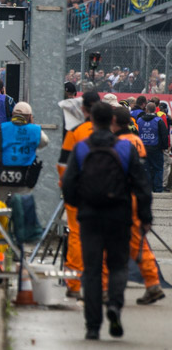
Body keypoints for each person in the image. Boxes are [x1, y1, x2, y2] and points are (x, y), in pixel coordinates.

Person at [61, 102, 152, 341]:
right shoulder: (125, 149)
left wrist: (78, 205)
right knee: (118, 266)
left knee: (91, 271)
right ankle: (114, 306)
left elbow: (69, 183)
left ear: (90, 121)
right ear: (112, 121)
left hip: (89, 217)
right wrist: (145, 217)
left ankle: (92, 326)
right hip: (119, 216)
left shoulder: (81, 148)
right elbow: (142, 186)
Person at [106, 107, 165, 305]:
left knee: (108, 244)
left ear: (114, 122)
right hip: (137, 197)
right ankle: (153, 283)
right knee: (139, 245)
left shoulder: (118, 144)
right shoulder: (136, 141)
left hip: (120, 198)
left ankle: (106, 288)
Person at [58, 90, 101, 299]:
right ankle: (102, 286)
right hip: (108, 192)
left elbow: (62, 165)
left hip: (79, 190)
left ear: (82, 109)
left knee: (76, 234)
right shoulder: (111, 131)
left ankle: (74, 284)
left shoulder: (76, 132)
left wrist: (66, 186)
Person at [0, 101, 48, 192]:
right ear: (30, 117)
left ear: (13, 114)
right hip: (25, 176)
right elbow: (44, 142)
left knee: (0, 204)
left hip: (2, 175)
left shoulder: (1, 129)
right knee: (22, 203)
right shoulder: (34, 130)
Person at [136, 102, 169, 193]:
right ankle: (158, 189)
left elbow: (136, 133)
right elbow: (164, 135)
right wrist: (164, 147)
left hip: (143, 148)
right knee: (158, 169)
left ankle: (147, 188)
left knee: (145, 168)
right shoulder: (158, 121)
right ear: (155, 110)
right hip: (156, 148)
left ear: (146, 109)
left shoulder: (139, 120)